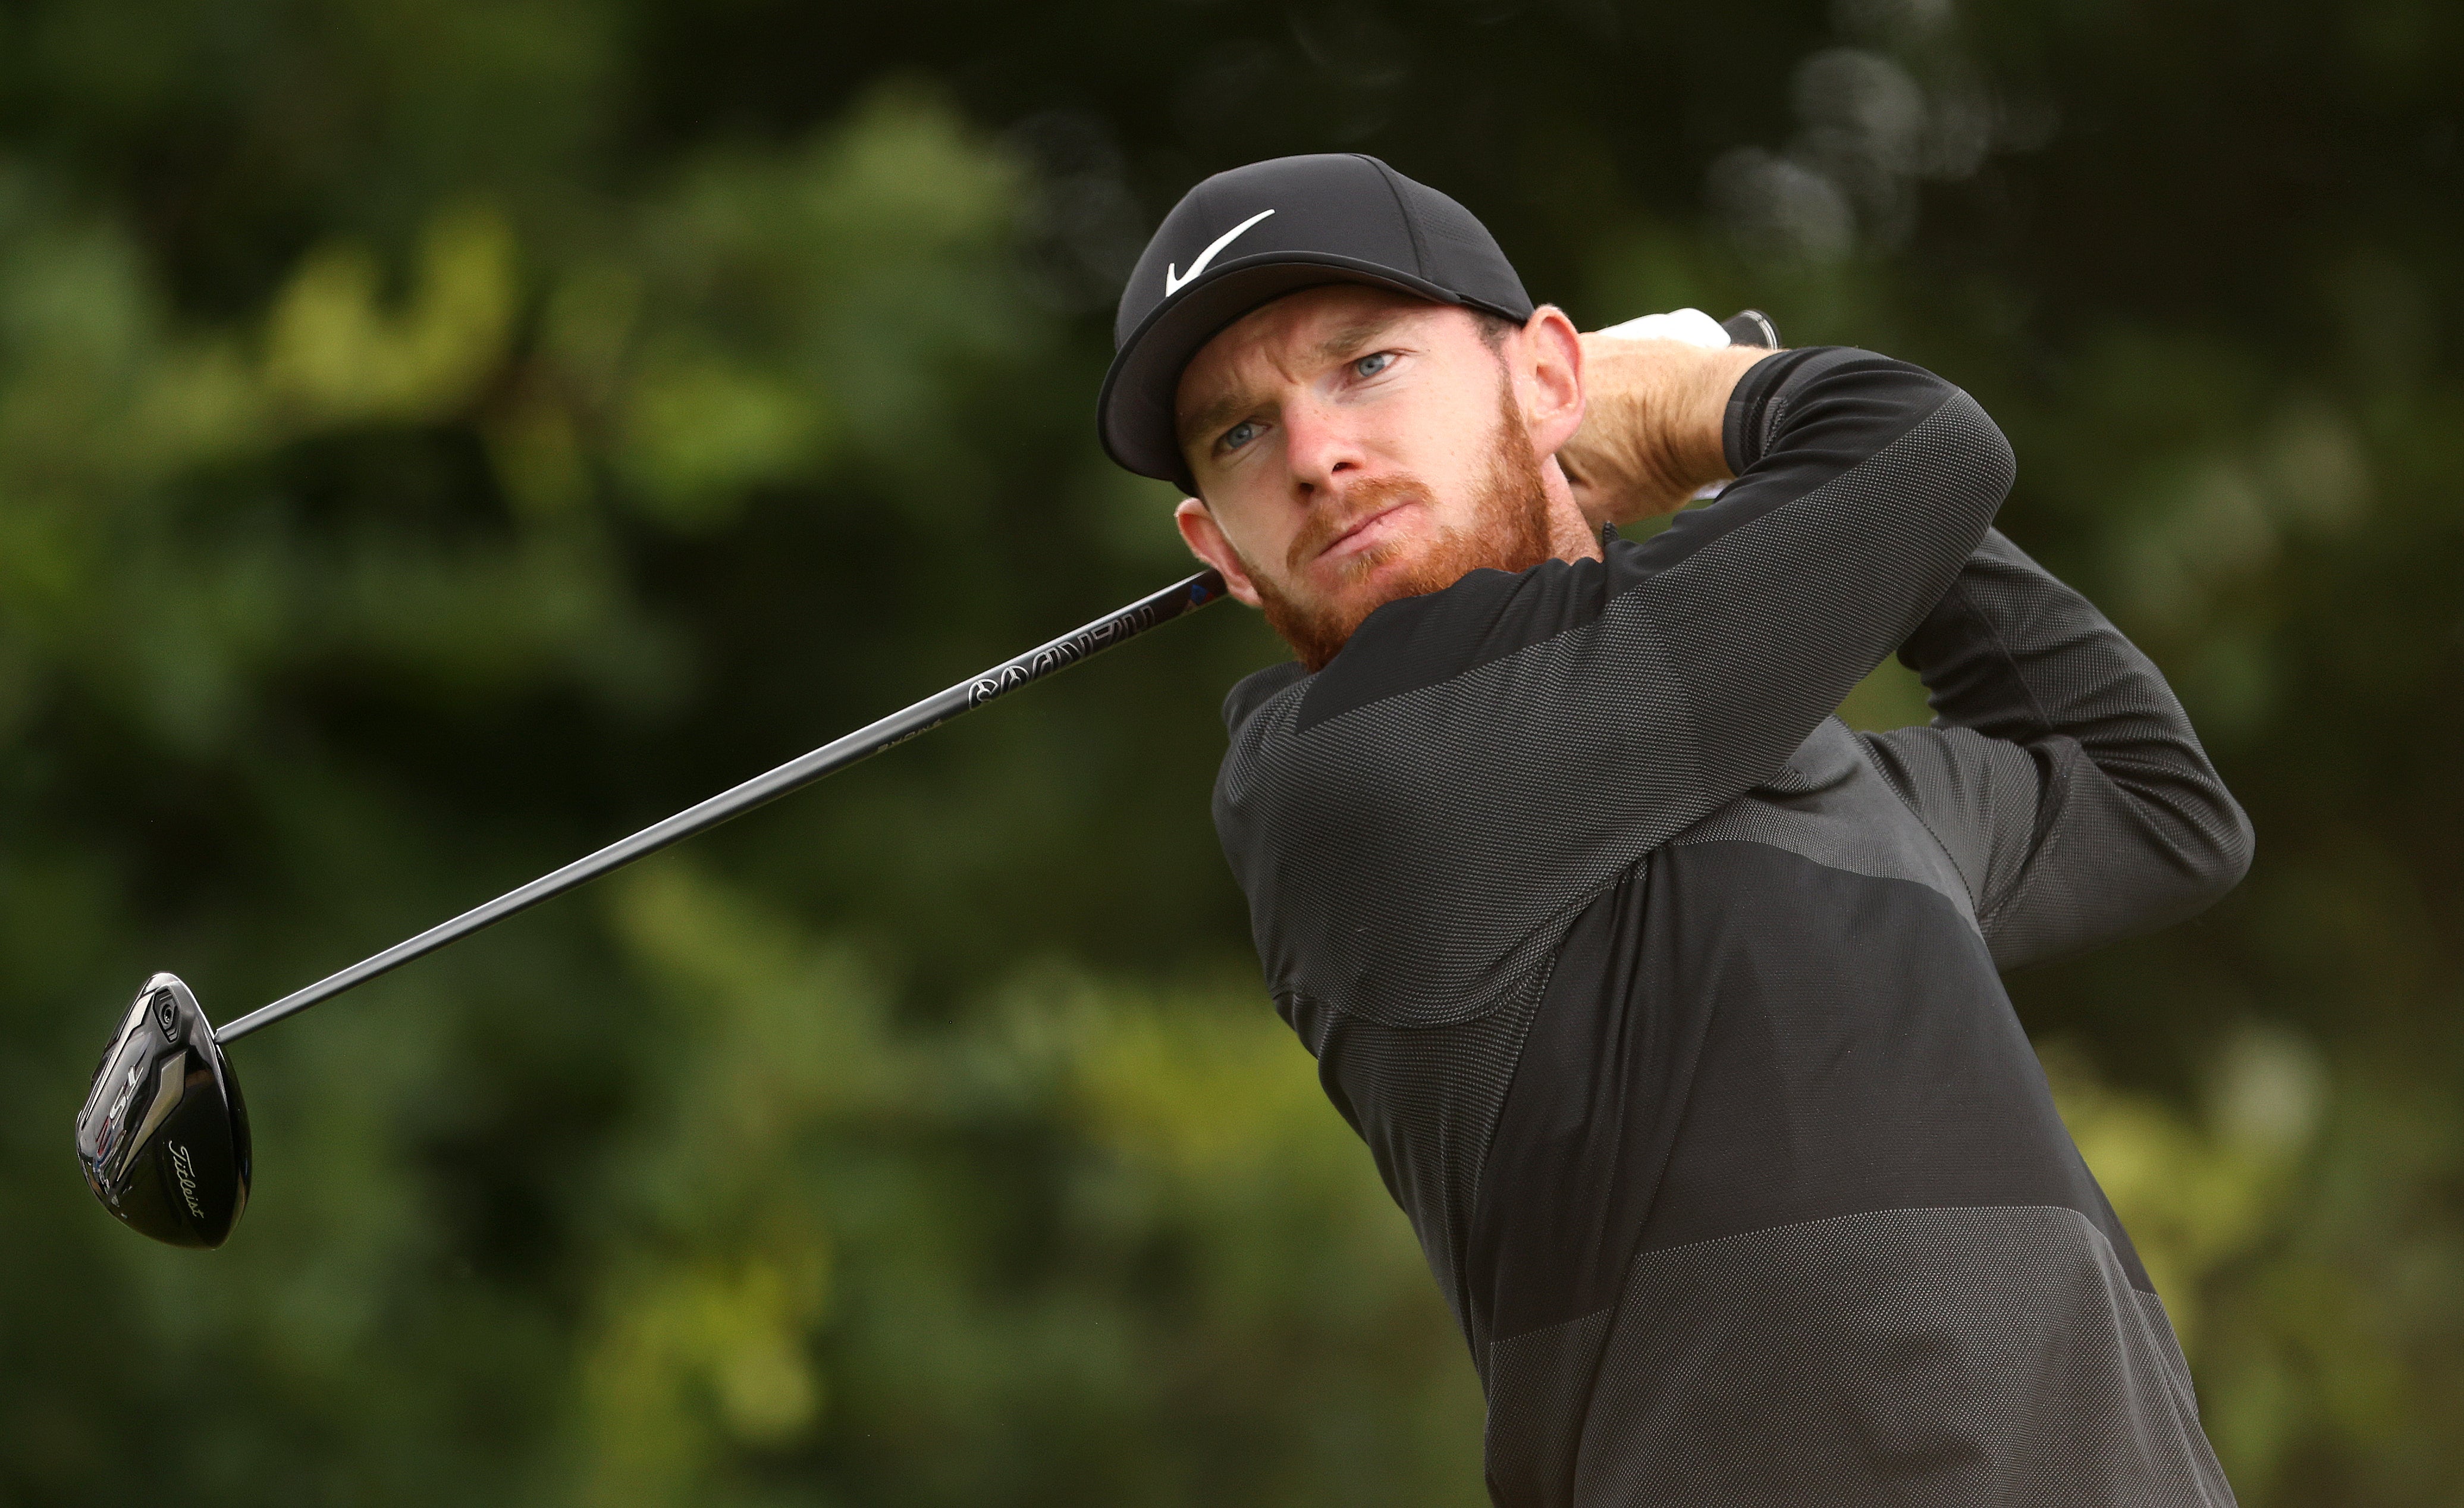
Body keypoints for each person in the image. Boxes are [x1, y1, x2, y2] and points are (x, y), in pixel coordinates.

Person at [1097, 153, 2253, 1506]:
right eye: (1237, 432)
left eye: (1365, 366)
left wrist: (1720, 470)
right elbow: (1924, 442)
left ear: (1544, 380)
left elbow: (2149, 800)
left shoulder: (1808, 776)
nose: (1312, 453)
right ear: (1215, 547)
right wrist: (1722, 404)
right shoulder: (1350, 783)